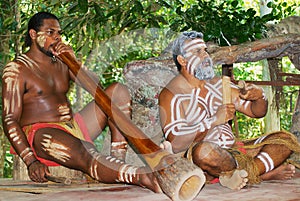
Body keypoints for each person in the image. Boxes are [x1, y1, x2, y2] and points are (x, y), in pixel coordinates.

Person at [1, 11, 161, 193]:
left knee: (118, 91)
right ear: (33, 34)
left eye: (59, 33)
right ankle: (142, 176)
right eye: (50, 32)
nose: (57, 38)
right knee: (87, 153)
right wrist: (30, 160)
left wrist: (74, 62)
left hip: (72, 127)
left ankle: (118, 160)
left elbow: (97, 90)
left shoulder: (62, 62)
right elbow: (9, 119)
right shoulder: (16, 69)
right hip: (41, 135)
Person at [158, 31, 300, 190]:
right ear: (182, 60)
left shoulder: (219, 84)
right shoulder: (171, 94)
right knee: (204, 151)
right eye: (198, 52)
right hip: (202, 159)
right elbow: (176, 142)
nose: (205, 56)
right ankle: (258, 174)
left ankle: (242, 174)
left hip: (235, 152)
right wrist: (214, 121)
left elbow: (257, 112)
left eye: (205, 50)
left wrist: (259, 97)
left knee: (285, 139)